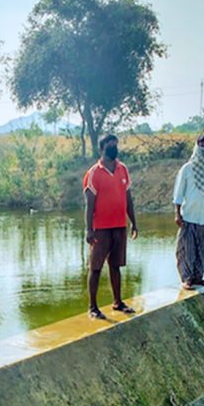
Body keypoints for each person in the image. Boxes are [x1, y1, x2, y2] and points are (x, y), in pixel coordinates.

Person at [82, 134, 138, 319]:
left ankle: (117, 302)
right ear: (102, 147)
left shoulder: (123, 169)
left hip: (119, 226)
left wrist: (133, 222)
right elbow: (90, 204)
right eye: (109, 143)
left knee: (116, 266)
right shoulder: (94, 173)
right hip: (101, 228)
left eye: (115, 143)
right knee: (96, 267)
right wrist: (89, 229)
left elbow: (128, 198)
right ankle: (93, 307)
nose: (114, 145)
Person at [173, 134, 204, 290]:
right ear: (197, 148)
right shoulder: (187, 169)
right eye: (202, 147)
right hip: (189, 215)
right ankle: (187, 279)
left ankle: (198, 278)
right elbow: (179, 193)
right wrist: (177, 213)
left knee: (203, 249)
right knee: (186, 249)